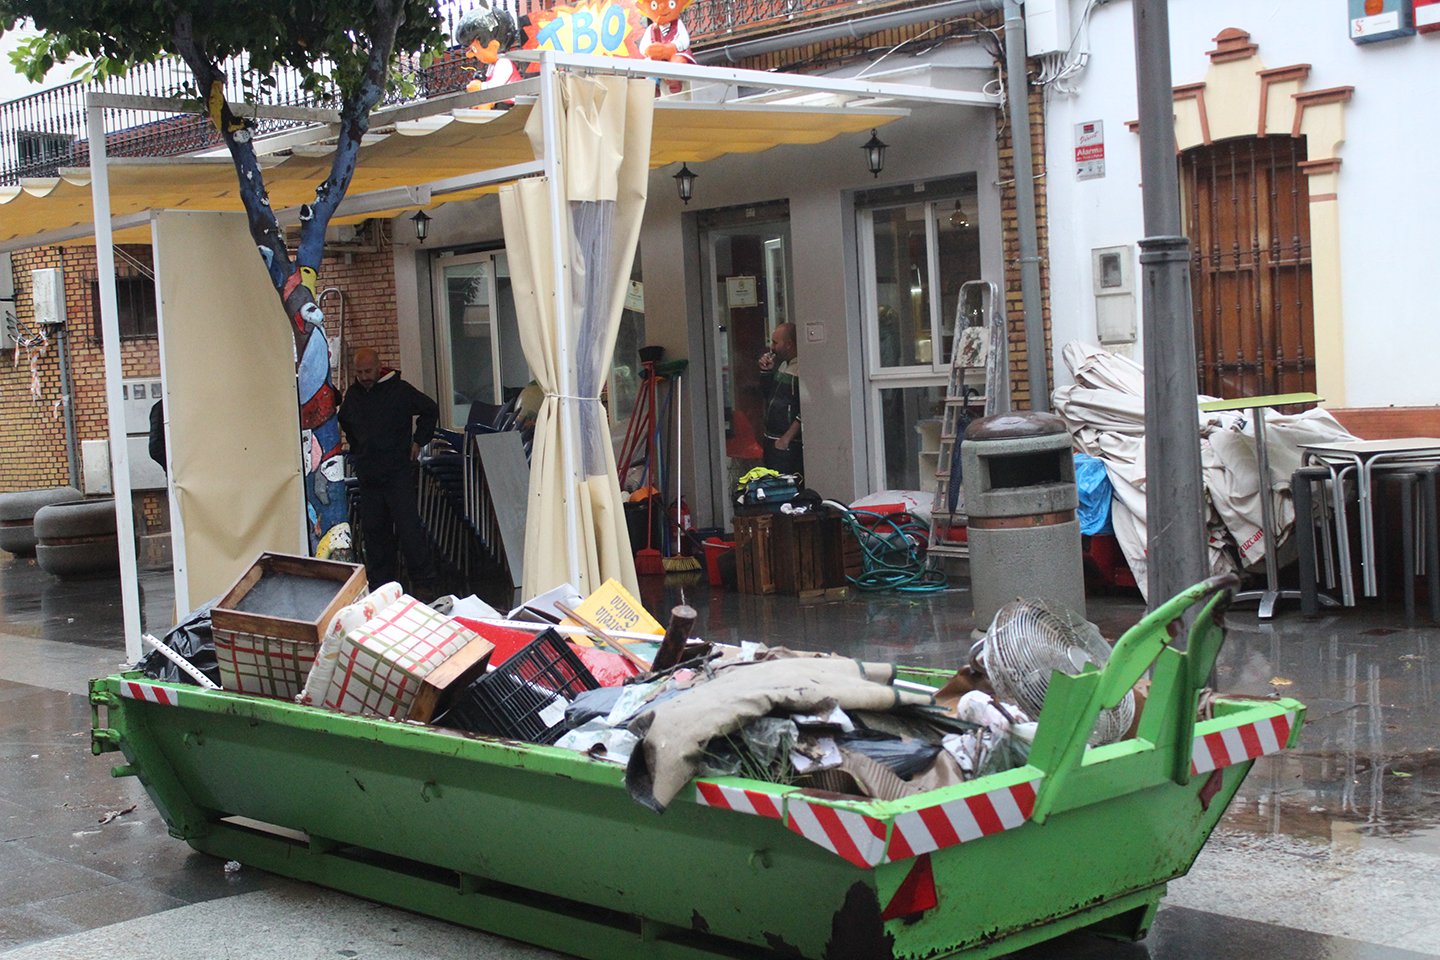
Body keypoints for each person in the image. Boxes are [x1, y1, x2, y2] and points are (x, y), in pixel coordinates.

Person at [338, 348, 440, 596]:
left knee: (408, 529)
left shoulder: (400, 390)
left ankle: (424, 582)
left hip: (397, 471)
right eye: (359, 372)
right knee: (375, 532)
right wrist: (359, 449)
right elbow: (345, 420)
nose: (363, 376)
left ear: (378, 367)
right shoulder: (353, 395)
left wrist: (419, 441)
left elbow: (430, 409)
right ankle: (380, 584)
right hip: (369, 473)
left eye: (368, 371)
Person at [758, 322, 803, 478]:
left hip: (787, 443)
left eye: (776, 343)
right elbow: (768, 395)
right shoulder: (783, 365)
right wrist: (766, 373)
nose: (772, 347)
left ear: (789, 344)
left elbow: (805, 410)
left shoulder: (801, 370)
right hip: (771, 437)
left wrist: (786, 438)